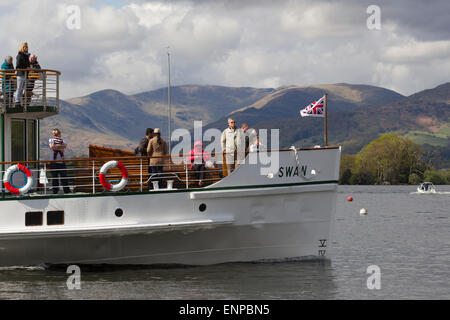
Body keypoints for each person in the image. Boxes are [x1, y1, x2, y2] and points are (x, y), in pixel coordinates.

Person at [49, 128, 71, 194]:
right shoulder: (51, 140)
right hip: (53, 162)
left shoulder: (63, 140)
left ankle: (66, 191)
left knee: (64, 176)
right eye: (53, 133)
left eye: (55, 133)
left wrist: (57, 146)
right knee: (54, 177)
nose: (54, 135)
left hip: (61, 161)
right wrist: (60, 147)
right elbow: (52, 147)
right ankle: (55, 191)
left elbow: (65, 146)